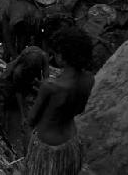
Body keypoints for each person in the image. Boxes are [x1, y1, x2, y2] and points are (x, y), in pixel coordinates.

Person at [25, 27, 94, 175]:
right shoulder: (89, 79)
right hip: (71, 141)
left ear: (61, 56)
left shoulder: (50, 86)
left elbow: (31, 119)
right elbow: (78, 109)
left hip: (47, 148)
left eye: (55, 53)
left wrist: (37, 98)